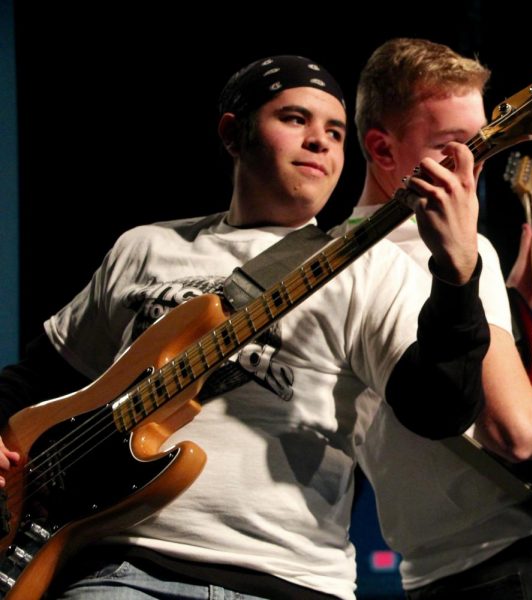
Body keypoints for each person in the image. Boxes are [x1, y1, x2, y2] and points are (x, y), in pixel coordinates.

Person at [0, 54, 493, 600]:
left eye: (334, 131)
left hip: (290, 577)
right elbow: (35, 379)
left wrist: (456, 275)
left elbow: (442, 407)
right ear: (234, 135)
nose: (320, 142)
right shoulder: (147, 247)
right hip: (118, 569)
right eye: (294, 119)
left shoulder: (370, 265)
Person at [333, 38, 532, 599]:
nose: (475, 163)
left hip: (429, 577)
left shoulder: (330, 260)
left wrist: (511, 306)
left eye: (482, 141)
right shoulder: (464, 249)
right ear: (383, 150)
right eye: (452, 146)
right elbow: (515, 431)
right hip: (526, 564)